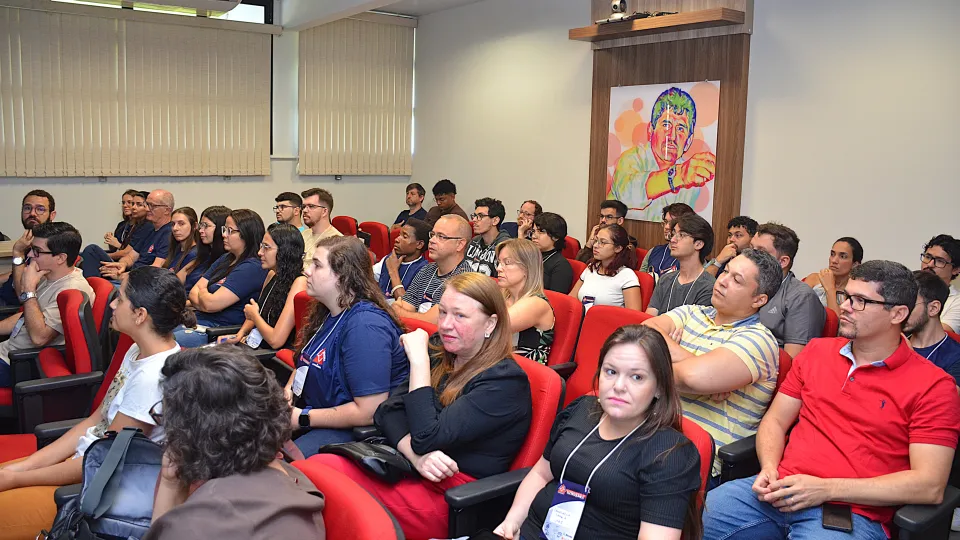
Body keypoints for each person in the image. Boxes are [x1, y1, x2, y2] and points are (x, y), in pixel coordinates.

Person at [702, 261, 960, 540]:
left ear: (897, 313)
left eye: (861, 301)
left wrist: (827, 489)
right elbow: (775, 420)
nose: (846, 307)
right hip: (781, 489)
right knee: (704, 512)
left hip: (850, 512)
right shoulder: (817, 351)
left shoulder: (934, 386)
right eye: (847, 296)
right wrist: (769, 468)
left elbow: (929, 485)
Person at [312, 273, 533, 539]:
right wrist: (416, 457)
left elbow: (427, 437)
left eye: (460, 316)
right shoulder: (444, 350)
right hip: (409, 467)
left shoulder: (505, 381)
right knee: (319, 467)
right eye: (442, 312)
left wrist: (418, 364)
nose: (446, 325)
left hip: (453, 497)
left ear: (491, 324)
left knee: (326, 490)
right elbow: (387, 410)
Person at [0, 266, 184, 537]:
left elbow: (105, 463)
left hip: (93, 490)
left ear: (140, 315)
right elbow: (96, 420)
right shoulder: (136, 349)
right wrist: (25, 465)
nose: (111, 304)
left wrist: (18, 476)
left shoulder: (151, 378)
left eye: (120, 299)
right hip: (83, 464)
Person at [494, 325, 702, 540]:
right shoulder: (581, 409)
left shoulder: (669, 454)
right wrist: (511, 522)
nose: (619, 386)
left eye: (637, 377)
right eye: (610, 372)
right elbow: (541, 473)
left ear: (659, 387)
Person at [144, 346, 325, 539]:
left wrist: (169, 488)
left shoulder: (199, 525)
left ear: (192, 434)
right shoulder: (293, 475)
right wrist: (170, 483)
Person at [644, 249, 782, 484]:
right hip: (652, 432)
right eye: (725, 271)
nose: (722, 281)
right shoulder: (691, 312)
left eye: (737, 280)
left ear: (759, 300)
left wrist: (660, 360)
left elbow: (691, 378)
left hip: (695, 456)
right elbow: (642, 333)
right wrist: (692, 363)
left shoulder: (759, 340)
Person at [286, 236, 409, 455]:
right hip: (314, 413)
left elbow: (368, 411)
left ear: (342, 277)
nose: (307, 271)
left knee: (275, 466)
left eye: (317, 265)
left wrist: (301, 417)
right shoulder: (327, 310)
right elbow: (306, 360)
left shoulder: (366, 326)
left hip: (353, 431)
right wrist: (288, 392)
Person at [0, 222, 95, 388]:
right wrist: (17, 254)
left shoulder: (72, 289)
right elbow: (24, 307)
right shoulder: (50, 276)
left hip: (18, 365)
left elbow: (39, 338)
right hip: (7, 353)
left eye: (36, 251)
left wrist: (30, 288)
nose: (30, 254)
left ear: (60, 258)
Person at [609, 86, 716, 221]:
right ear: (650, 130)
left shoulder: (691, 181)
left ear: (688, 141)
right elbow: (627, 196)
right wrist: (678, 175)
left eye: (681, 128)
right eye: (666, 125)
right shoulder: (631, 159)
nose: (671, 136)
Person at [174, 209, 269, 347]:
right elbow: (195, 293)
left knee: (161, 343)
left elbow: (210, 304)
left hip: (216, 330)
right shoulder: (226, 258)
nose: (224, 235)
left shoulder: (252, 267)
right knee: (151, 332)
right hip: (197, 321)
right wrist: (206, 301)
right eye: (225, 229)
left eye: (230, 231)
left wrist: (204, 296)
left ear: (246, 234)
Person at [218, 223, 306, 351]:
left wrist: (254, 316)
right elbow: (258, 311)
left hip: (273, 357)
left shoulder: (299, 282)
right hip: (256, 347)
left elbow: (276, 341)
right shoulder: (271, 274)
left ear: (284, 252)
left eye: (266, 247)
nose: (260, 253)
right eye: (261, 246)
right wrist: (240, 334)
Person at [750, 223, 826, 358]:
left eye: (760, 252)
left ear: (783, 261)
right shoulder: (746, 284)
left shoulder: (801, 297)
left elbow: (793, 361)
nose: (750, 256)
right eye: (751, 249)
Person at [392, 215, 472, 325]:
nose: (432, 240)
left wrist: (402, 312)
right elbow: (401, 305)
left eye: (441, 237)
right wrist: (407, 313)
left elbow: (434, 322)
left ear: (460, 244)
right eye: (433, 235)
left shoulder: (464, 280)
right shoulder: (427, 269)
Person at [497, 239, 555, 364]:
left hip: (525, 375)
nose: (498, 268)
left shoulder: (536, 303)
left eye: (507, 263)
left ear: (526, 268)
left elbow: (492, 327)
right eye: (499, 262)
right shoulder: (503, 296)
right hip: (501, 368)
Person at [97, 189, 176, 282]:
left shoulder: (169, 233)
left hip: (142, 283)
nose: (147, 209)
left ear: (167, 210)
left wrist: (122, 276)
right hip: (131, 276)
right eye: (147, 204)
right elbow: (131, 257)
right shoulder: (149, 229)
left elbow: (155, 269)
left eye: (152, 206)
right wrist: (122, 264)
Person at [647, 213, 715, 316]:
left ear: (698, 244)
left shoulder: (709, 287)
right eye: (674, 233)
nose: (673, 240)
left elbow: (693, 329)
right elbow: (649, 317)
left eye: (681, 235)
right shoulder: (665, 279)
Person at [0, 190, 57, 305]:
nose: (32, 213)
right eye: (27, 208)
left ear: (52, 215)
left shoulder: (48, 248)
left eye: (40, 209)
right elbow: (18, 272)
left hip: (10, 306)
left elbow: (23, 295)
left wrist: (18, 253)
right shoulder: (31, 240)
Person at [570, 224, 642, 312]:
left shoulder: (627, 276)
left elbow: (634, 316)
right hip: (583, 321)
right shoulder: (591, 268)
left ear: (618, 248)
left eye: (603, 242)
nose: (596, 245)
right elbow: (571, 300)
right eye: (596, 241)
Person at [906, 270, 960, 384]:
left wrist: (910, 357)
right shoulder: (893, 342)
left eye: (910, 304)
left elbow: (948, 397)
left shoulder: (956, 356)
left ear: (933, 308)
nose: (900, 312)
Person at [80, 191, 151, 277]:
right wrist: (111, 241)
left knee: (91, 250)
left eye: (138, 204)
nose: (132, 207)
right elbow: (116, 250)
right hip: (122, 261)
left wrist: (100, 255)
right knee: (82, 254)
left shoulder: (146, 226)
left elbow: (126, 253)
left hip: (128, 266)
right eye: (132, 204)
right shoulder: (124, 225)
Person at [373, 217, 430, 304]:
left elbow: (406, 305)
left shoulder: (424, 270)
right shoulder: (390, 258)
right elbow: (367, 277)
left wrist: (393, 271)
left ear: (419, 244)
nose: (396, 239)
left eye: (404, 236)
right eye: (399, 235)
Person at [803, 237, 863, 315]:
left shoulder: (854, 293)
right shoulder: (814, 278)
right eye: (832, 254)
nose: (834, 260)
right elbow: (796, 308)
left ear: (855, 264)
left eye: (842, 256)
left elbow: (838, 324)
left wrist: (830, 289)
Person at [637, 202, 694, 277]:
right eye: (666, 222)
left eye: (672, 223)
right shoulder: (653, 251)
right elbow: (642, 280)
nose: (667, 227)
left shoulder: (692, 257)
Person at [576, 199, 641, 264]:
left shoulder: (626, 245)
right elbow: (580, 266)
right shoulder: (596, 237)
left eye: (609, 217)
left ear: (620, 221)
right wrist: (589, 243)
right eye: (601, 216)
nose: (603, 220)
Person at [920, 234, 960, 333]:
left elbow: (936, 335)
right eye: (928, 257)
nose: (929, 264)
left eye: (939, 261)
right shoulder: (905, 289)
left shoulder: (956, 302)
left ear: (956, 269)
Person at [189, 206, 231, 294]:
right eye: (201, 225)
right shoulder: (203, 255)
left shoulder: (227, 259)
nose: (200, 230)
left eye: (206, 226)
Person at [300, 187, 343, 272]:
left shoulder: (336, 242)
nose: (304, 210)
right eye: (304, 206)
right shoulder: (303, 234)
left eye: (311, 206)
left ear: (324, 211)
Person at [466, 197, 511, 277]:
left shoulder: (505, 246)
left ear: (495, 221)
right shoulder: (474, 242)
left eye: (480, 216)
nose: (474, 220)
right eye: (474, 216)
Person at [532, 212, 574, 293]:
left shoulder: (561, 266)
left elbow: (556, 300)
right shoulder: (533, 256)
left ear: (555, 237)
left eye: (541, 232)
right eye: (534, 231)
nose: (534, 236)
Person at [161, 207, 199, 287]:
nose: (175, 228)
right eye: (173, 224)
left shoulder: (194, 254)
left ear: (195, 226)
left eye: (181, 224)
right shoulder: (175, 249)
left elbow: (176, 285)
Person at [104, 189, 144, 254]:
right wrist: (110, 240)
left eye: (129, 202)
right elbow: (113, 249)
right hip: (116, 257)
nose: (125, 205)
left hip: (127, 260)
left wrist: (119, 245)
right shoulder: (121, 225)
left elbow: (134, 253)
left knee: (92, 249)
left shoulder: (141, 226)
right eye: (123, 203)